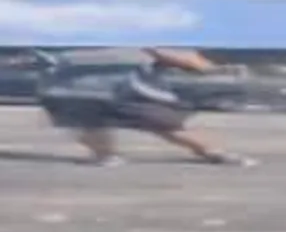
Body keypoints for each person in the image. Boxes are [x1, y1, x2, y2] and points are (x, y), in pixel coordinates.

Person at [35, 47, 248, 166]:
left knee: (89, 122)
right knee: (164, 126)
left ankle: (106, 156)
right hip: (120, 85)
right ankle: (213, 152)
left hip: (72, 85)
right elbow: (180, 58)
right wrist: (208, 69)